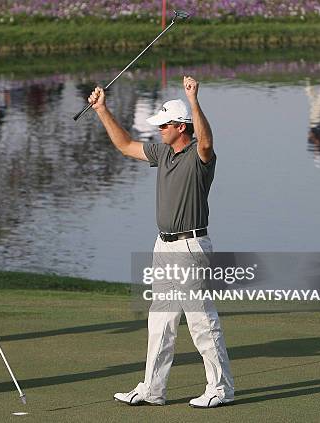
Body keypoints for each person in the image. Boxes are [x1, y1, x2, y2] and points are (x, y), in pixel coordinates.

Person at [88, 76, 234, 408]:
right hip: (164, 246)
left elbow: (207, 142)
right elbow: (125, 145)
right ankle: (153, 389)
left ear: (181, 127)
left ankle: (221, 388)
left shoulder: (200, 157)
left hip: (190, 246)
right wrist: (102, 110)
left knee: (200, 321)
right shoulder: (162, 152)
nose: (159, 130)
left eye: (164, 125)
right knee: (160, 321)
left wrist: (194, 100)